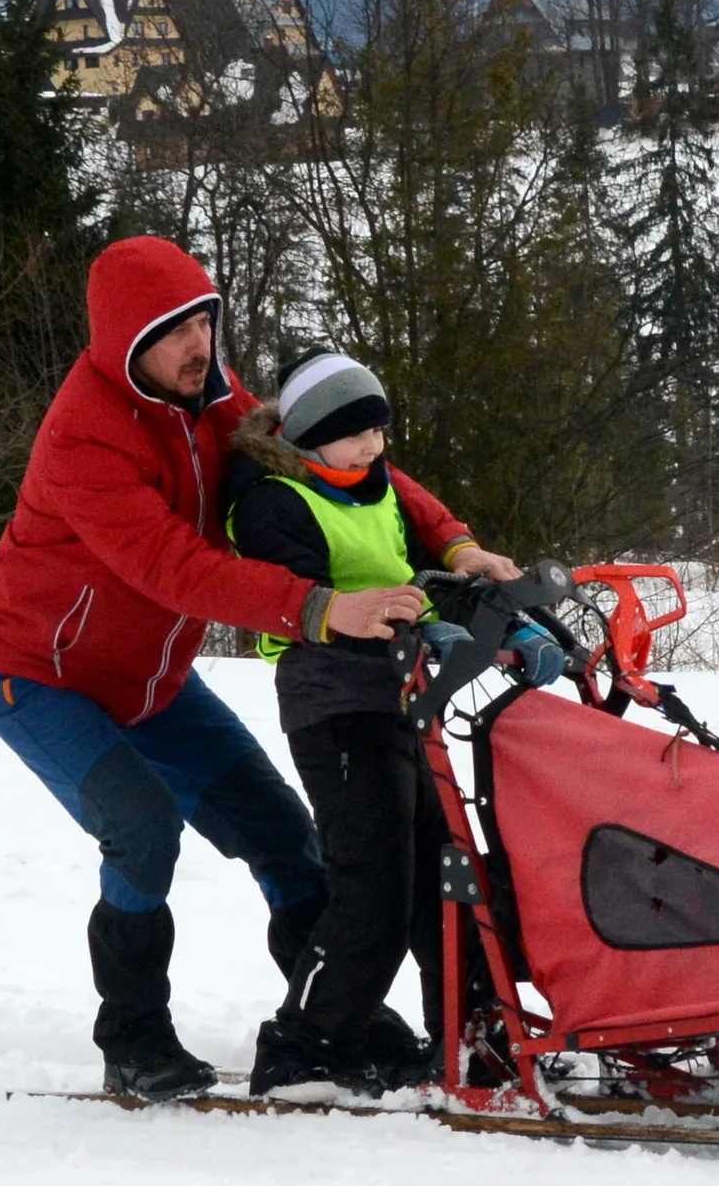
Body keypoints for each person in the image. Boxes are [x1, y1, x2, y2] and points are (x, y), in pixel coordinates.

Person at [0, 237, 521, 1101]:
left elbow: (341, 457)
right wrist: (318, 607)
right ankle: (135, 1033)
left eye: (204, 320)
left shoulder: (214, 398)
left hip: (155, 684)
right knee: (144, 829)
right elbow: (170, 564)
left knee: (285, 835)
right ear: (123, 342)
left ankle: (337, 1020)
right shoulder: (86, 439)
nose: (199, 343)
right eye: (173, 330)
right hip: (40, 677)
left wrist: (455, 538)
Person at [224, 347, 565, 1095]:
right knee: (372, 888)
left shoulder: (375, 489)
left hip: (407, 704)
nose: (373, 446)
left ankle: (475, 1032)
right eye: (354, 434)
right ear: (308, 435)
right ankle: (302, 1044)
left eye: (379, 430)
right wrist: (402, 627)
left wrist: (509, 629)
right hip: (336, 708)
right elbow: (304, 599)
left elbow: (423, 579)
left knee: (448, 880)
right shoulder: (273, 502)